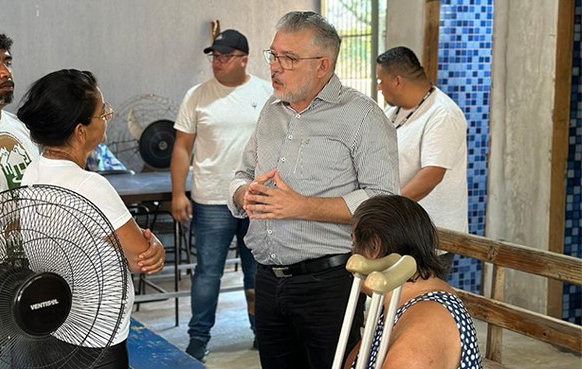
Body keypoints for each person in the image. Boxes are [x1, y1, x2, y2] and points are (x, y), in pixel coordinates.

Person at [228, 11, 399, 369]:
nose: (275, 67)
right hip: (268, 280)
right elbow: (242, 173)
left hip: (328, 284)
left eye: (288, 59)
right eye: (273, 55)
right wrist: (243, 195)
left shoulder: (363, 117)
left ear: (322, 66)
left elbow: (383, 201)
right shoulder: (271, 112)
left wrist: (302, 206)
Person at [18, 69, 167, 368]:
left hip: (49, 326)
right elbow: (141, 258)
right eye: (103, 113)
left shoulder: (31, 173)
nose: (108, 116)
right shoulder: (92, 187)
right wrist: (154, 248)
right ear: (80, 131)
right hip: (96, 339)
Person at [170, 28, 272, 362]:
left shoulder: (266, 93)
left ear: (244, 60)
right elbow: (182, 148)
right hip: (211, 198)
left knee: (256, 271)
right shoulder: (197, 96)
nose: (218, 62)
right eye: (215, 56)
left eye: (225, 57)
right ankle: (198, 338)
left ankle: (261, 333)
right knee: (208, 272)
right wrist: (177, 194)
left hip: (256, 198)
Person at [347, 195, 483, 369]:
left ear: (375, 247)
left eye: (354, 244)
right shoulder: (399, 303)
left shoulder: (425, 326)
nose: (351, 258)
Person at [376, 46, 468, 274]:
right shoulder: (394, 112)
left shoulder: (442, 114)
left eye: (381, 80)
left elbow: (432, 175)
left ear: (398, 81)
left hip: (428, 236)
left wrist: (386, 210)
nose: (379, 87)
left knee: (418, 304)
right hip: (399, 231)